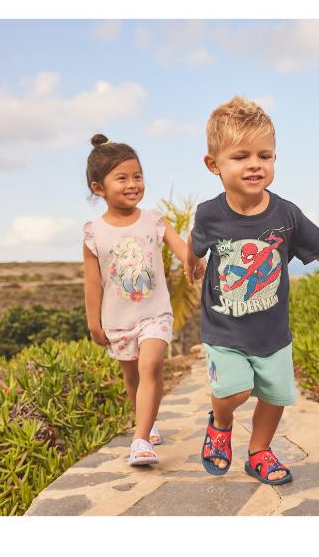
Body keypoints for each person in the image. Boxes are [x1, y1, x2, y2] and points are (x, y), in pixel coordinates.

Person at [184, 97, 319, 484]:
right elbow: (198, 244)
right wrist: (193, 261)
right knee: (235, 390)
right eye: (241, 156)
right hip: (224, 330)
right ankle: (221, 423)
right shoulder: (209, 213)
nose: (255, 164)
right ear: (214, 165)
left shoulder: (287, 215)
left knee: (274, 396)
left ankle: (259, 452)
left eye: (265, 155)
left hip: (273, 334)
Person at [82, 134, 205, 466]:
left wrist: (197, 264)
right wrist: (93, 323)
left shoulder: (153, 220)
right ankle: (146, 425)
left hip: (155, 313)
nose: (133, 184)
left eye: (137, 176)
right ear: (99, 188)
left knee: (150, 366)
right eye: (122, 178)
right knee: (132, 377)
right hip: (117, 319)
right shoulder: (94, 232)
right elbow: (93, 283)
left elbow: (184, 252)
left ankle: (140, 442)